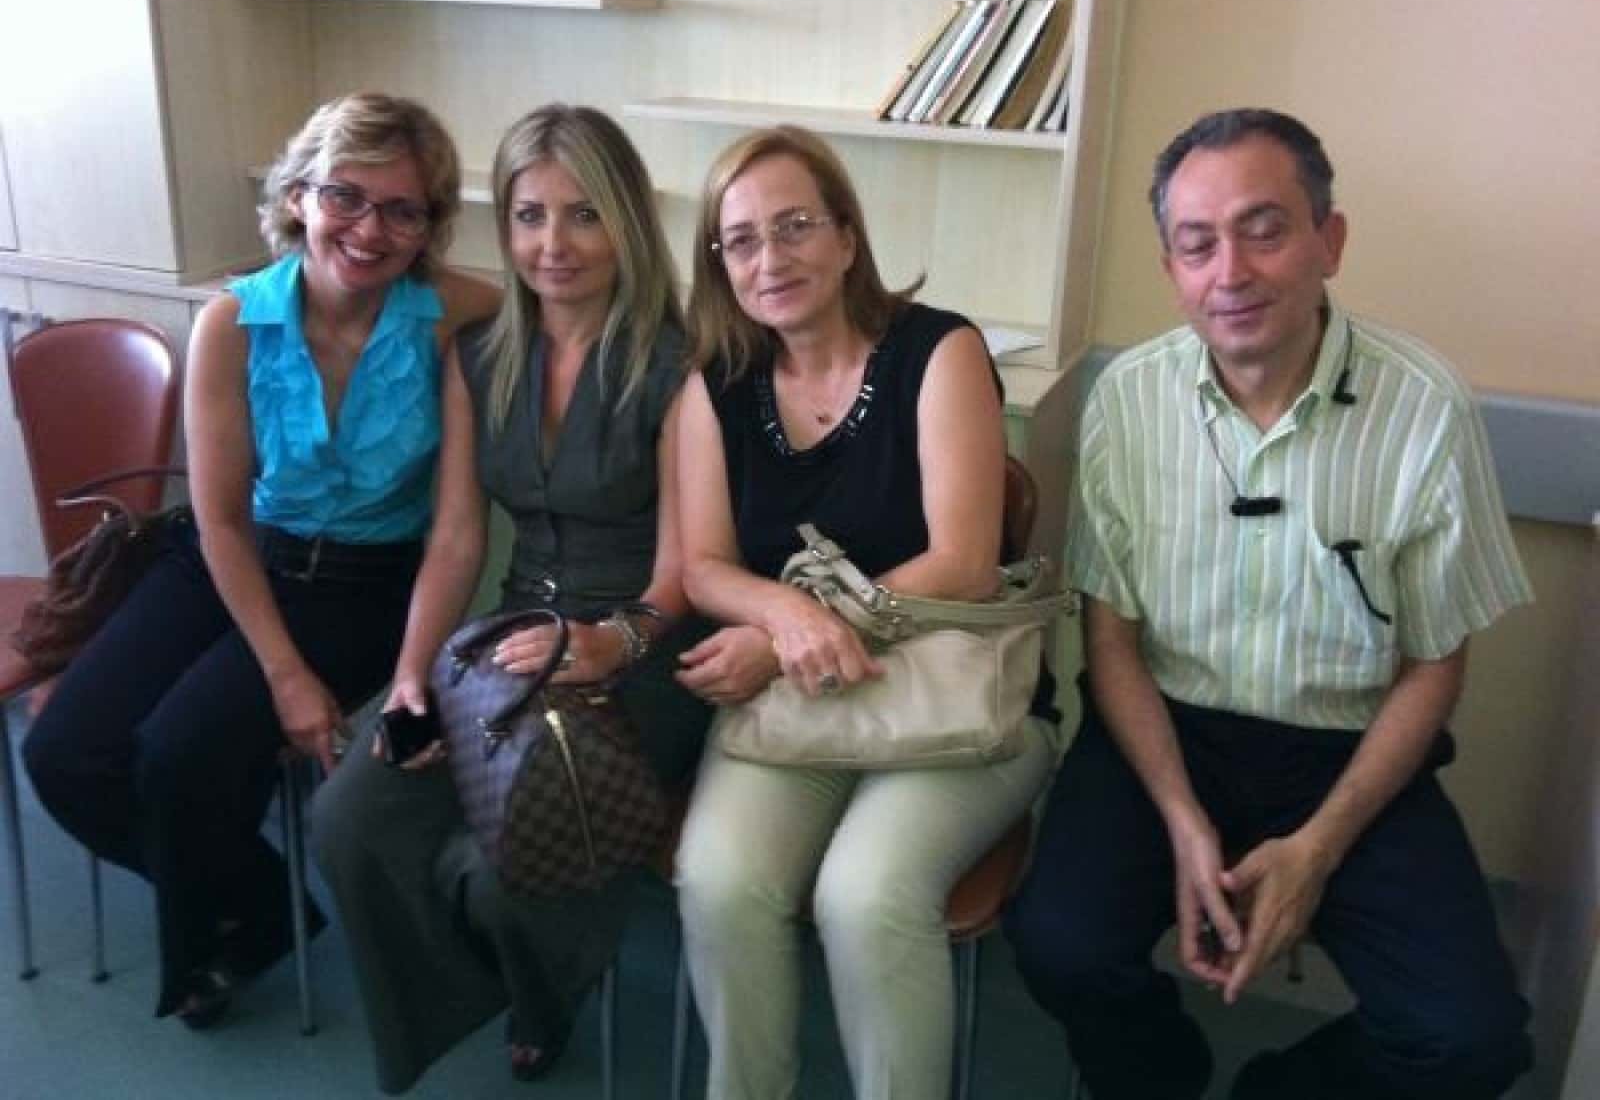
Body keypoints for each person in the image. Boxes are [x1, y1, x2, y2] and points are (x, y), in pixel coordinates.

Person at [1005, 108, 1535, 1099]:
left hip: (1347, 747)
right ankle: (1162, 1076)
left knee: (1472, 1038)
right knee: (1058, 945)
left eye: (1264, 230)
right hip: (1166, 730)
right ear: (1171, 269)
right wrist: (1180, 815)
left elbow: (1434, 663)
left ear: (1329, 241)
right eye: (1197, 244)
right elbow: (1110, 639)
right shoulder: (1129, 399)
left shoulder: (1423, 405)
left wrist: (1317, 848)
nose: (1231, 272)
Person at [22, 93, 498, 1026]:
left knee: (177, 752)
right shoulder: (232, 322)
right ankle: (257, 902)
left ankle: (218, 931)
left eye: (402, 210)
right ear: (298, 197)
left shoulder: (454, 314)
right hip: (232, 558)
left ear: (429, 227)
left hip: (365, 586)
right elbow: (222, 521)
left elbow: (457, 523)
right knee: (65, 753)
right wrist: (285, 675)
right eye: (345, 195)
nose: (369, 230)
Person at [311, 103, 708, 1092]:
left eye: (583, 215)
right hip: (511, 635)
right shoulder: (480, 353)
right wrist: (412, 674)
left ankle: (542, 989)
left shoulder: (679, 364)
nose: (553, 244)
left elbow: (685, 566)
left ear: (626, 221)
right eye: (530, 216)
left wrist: (609, 642)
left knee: (502, 870)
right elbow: (455, 537)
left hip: (643, 647)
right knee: (349, 814)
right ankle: (490, 984)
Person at [671, 124, 1059, 1100]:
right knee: (718, 880)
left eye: (795, 225)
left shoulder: (939, 349)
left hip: (953, 700)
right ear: (720, 265)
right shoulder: (715, 385)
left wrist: (786, 633)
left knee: (866, 895)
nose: (770, 257)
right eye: (741, 239)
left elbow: (964, 564)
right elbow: (702, 566)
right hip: (804, 702)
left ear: (847, 236)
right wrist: (781, 617)